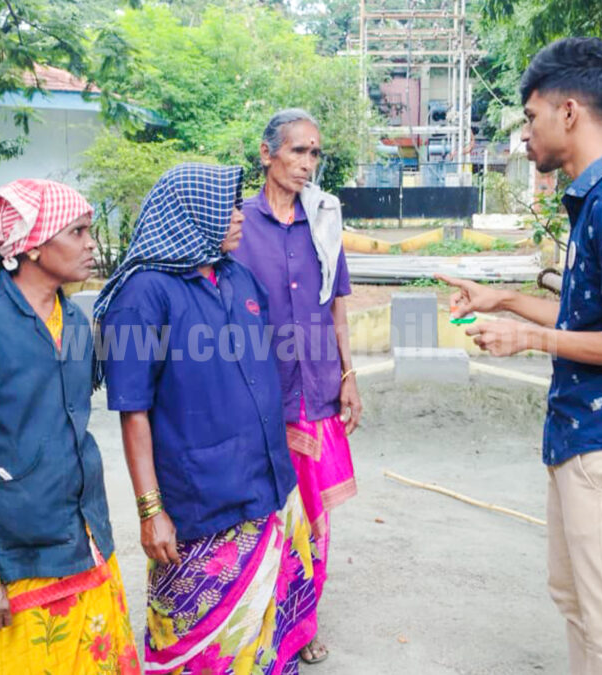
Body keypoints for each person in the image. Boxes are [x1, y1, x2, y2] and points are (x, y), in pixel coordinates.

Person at [440, 37, 602, 674]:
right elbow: (589, 320)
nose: (525, 132)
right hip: (581, 436)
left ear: (568, 112)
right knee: (576, 603)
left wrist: (529, 339)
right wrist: (506, 303)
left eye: (530, 116)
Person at [94, 163, 319, 675]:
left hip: (265, 488)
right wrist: (151, 510)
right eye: (228, 207)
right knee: (200, 651)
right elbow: (134, 412)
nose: (240, 217)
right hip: (200, 503)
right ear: (191, 214)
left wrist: (284, 438)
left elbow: (260, 369)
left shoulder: (237, 276)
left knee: (263, 639)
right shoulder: (143, 295)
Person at [0, 179, 139, 674]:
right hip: (13, 557)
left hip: (84, 540)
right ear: (33, 244)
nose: (92, 244)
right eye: (78, 232)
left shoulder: (74, 320)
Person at [229, 109, 359, 665]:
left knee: (315, 520)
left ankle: (303, 625)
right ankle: (262, 623)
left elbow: (337, 307)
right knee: (264, 521)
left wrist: (349, 376)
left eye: (314, 154)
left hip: (318, 395)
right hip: (258, 400)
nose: (308, 163)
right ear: (267, 154)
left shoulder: (323, 222)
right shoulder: (235, 226)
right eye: (298, 151)